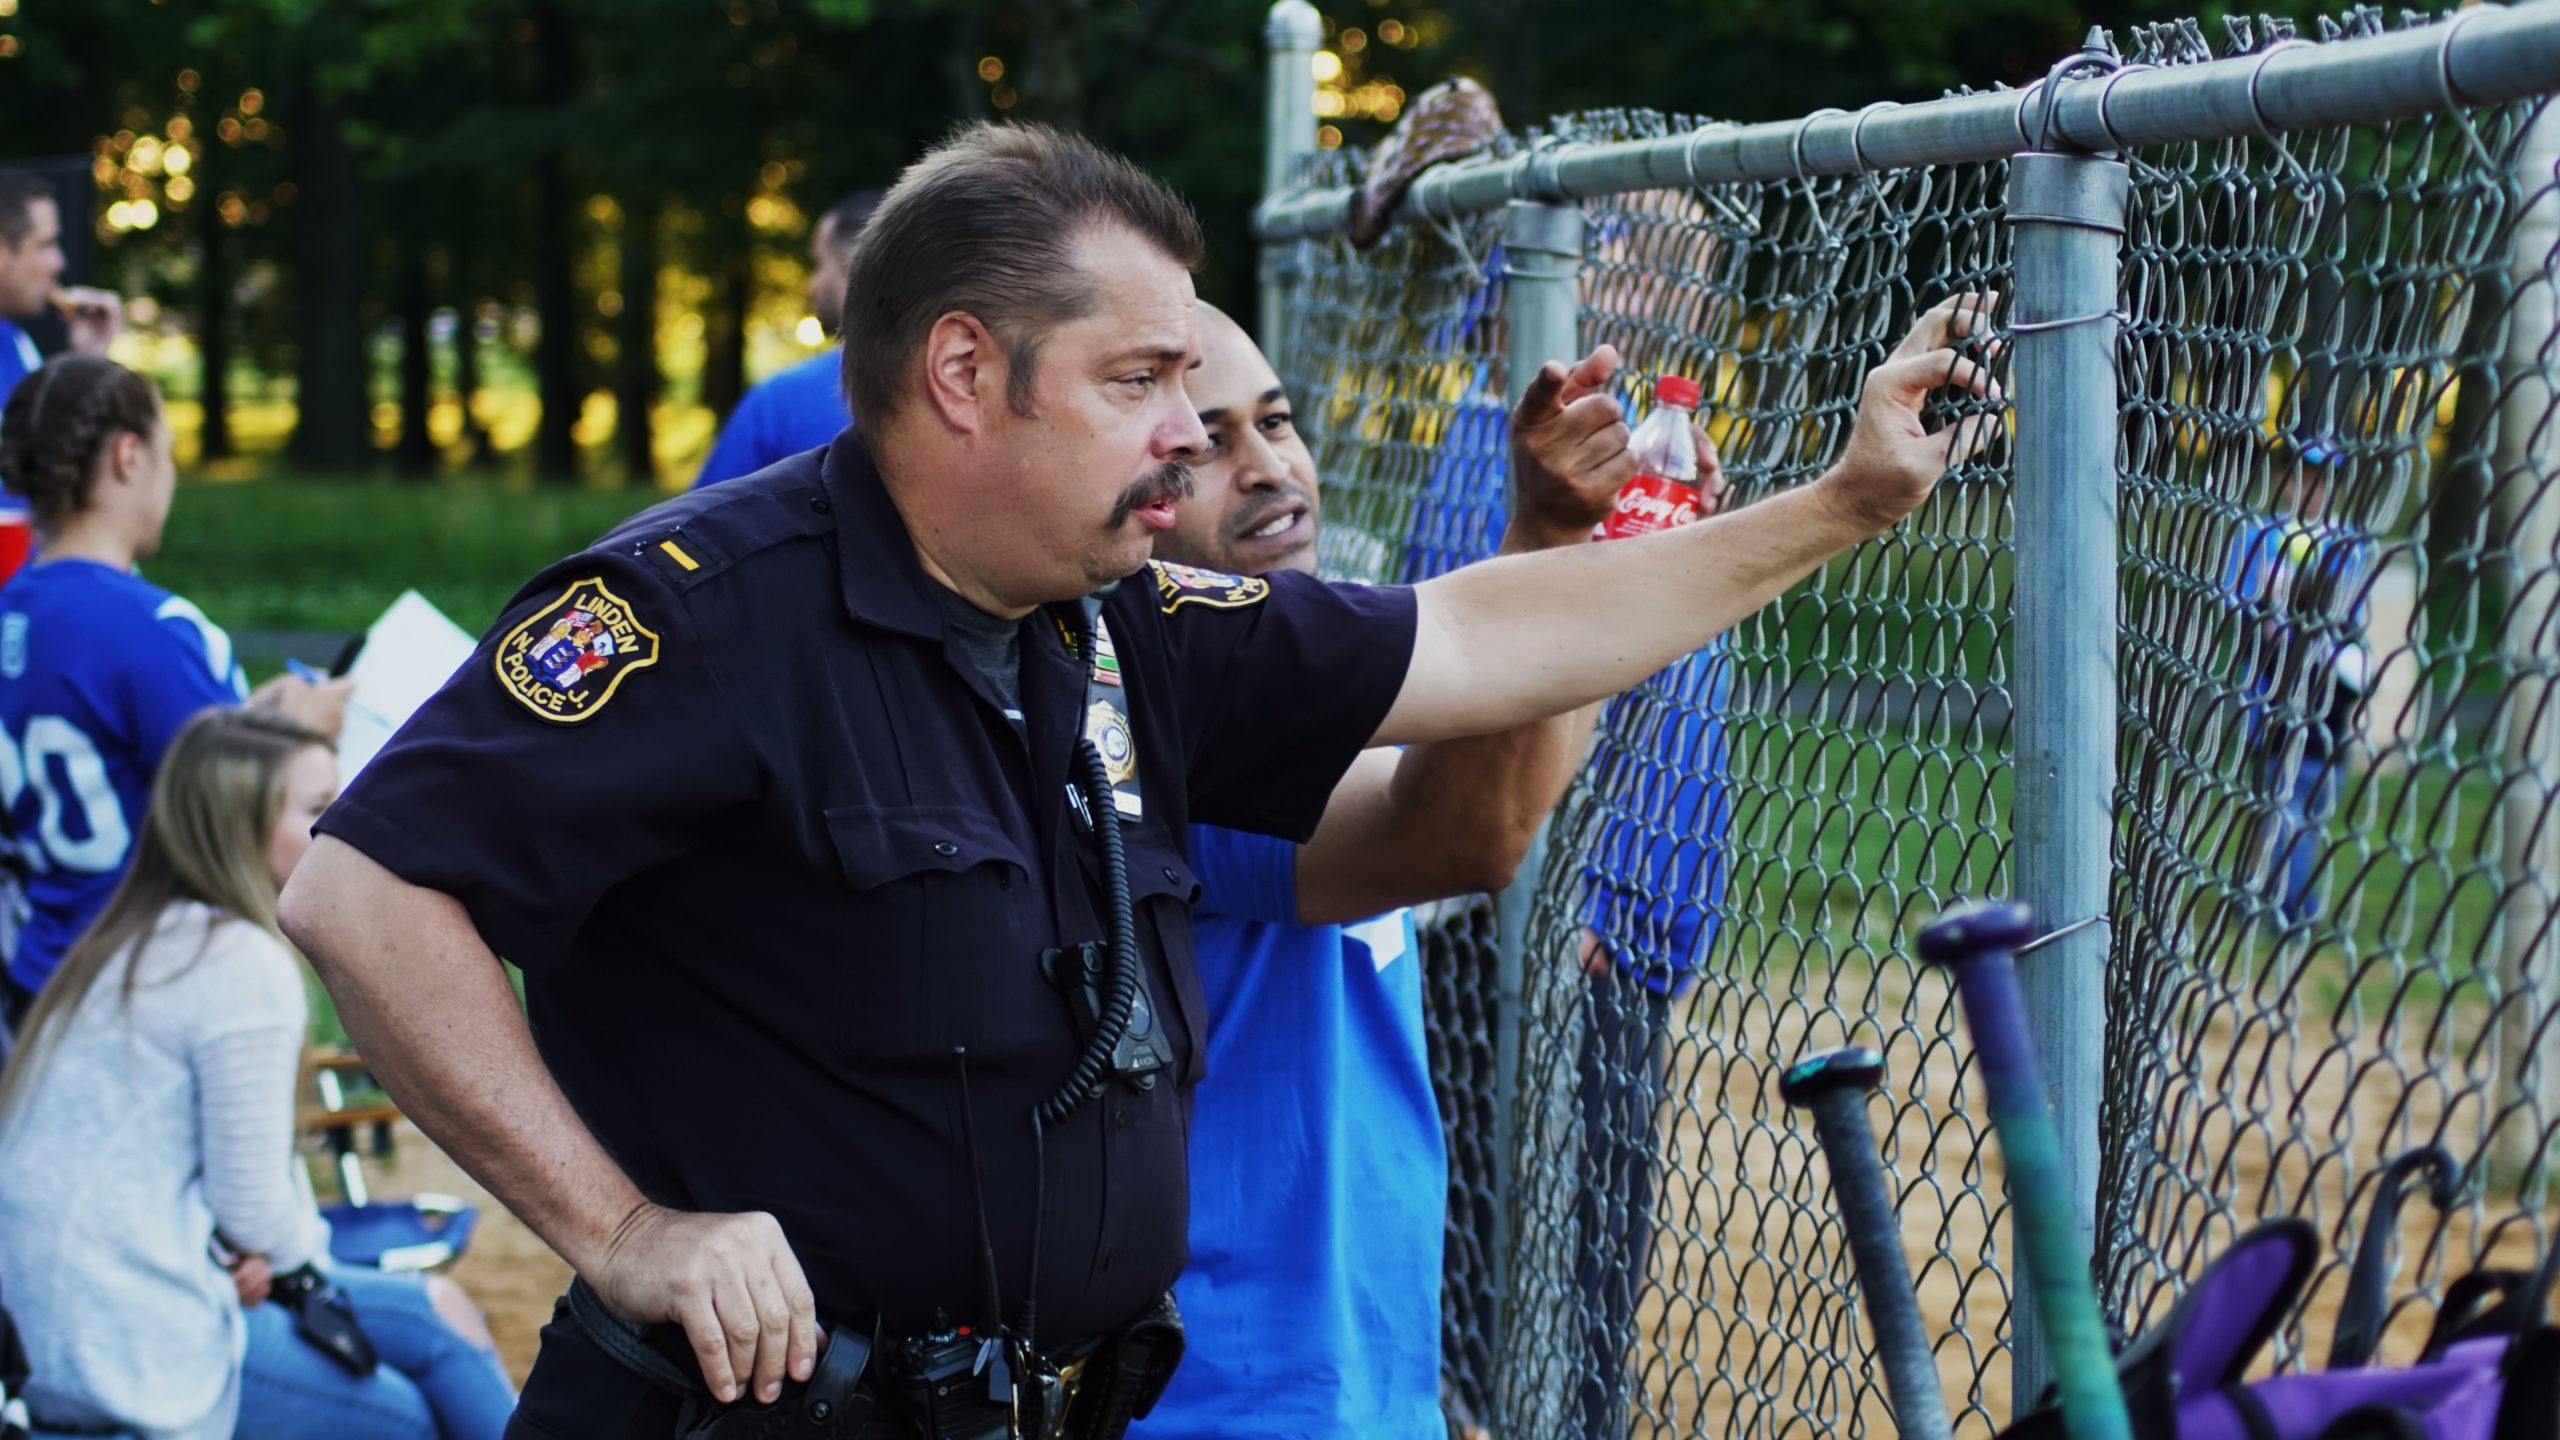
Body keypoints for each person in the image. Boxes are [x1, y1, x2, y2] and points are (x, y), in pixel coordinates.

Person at [275, 120, 1996, 1438]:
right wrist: (624, 1229)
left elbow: (1481, 639)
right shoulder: (697, 617)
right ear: (966, 374)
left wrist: (1842, 504)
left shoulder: (1125, 621)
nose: (1188, 430)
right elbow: (361, 888)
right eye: (1142, 382)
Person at [1129, 302, 1714, 1440]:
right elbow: (1469, 835)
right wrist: (1558, 551)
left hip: (1353, 1378)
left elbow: (1506, 773)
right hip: (1223, 1394)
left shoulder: (1308, 666)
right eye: (1206, 447)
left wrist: (1599, 559)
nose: (1268, 470)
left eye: (1276, 422)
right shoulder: (1182, 723)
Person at [0, 706, 517, 1440]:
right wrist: (270, 1255)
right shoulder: (236, 962)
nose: (344, 826)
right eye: (317, 808)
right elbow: (252, 1211)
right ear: (237, 825)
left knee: (440, 1314)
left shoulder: (131, 940)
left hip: (60, 1312)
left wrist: (259, 1253)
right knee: (400, 1416)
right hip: (125, 1338)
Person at [0, 356, 349, 1028]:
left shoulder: (14, 607)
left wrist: (255, 717)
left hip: (39, 972)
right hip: (143, 984)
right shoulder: (152, 626)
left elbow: (127, 752)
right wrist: (302, 734)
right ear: (129, 456)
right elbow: (233, 814)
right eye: (167, 451)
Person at [2227, 432, 2372, 926]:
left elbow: (2354, 620)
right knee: (2272, 797)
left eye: (2323, 480)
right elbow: (2237, 605)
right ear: (2285, 479)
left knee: (2308, 801)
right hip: (2270, 692)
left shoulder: (2348, 546)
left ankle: (2290, 902)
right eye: (2302, 476)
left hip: (2325, 695)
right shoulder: (2261, 536)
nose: (2311, 489)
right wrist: (2269, 600)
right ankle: (2268, 896)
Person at [692, 190, 880, 488]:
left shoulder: (779, 405)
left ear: (851, 271)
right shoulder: (953, 384)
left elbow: (701, 513)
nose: (812, 282)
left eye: (818, 263)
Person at [0, 173, 119, 420]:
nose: (59, 263)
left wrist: (87, 360)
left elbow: (51, 441)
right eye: (46, 245)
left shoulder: (14, 343)